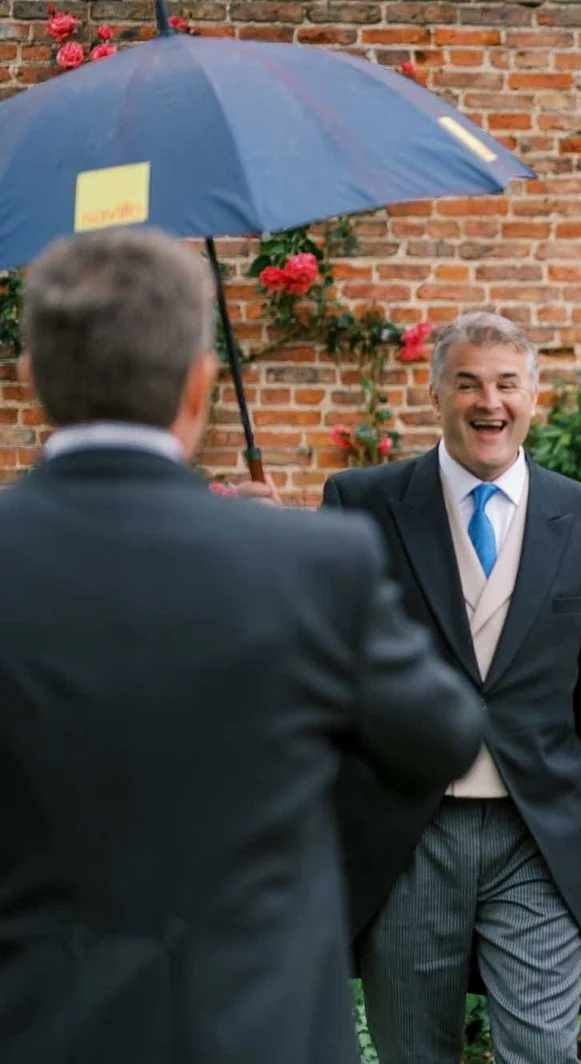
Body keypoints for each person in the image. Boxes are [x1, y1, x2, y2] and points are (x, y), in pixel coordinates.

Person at [0, 227, 485, 1064]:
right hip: (258, 1022)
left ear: (29, 379)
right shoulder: (309, 566)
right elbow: (442, 733)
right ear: (201, 386)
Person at [321, 311, 581, 1064]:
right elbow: (328, 665)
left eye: (507, 384)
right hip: (410, 829)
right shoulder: (362, 505)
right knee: (415, 1051)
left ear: (535, 396)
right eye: (467, 383)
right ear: (435, 392)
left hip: (535, 833)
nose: (488, 403)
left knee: (542, 1049)